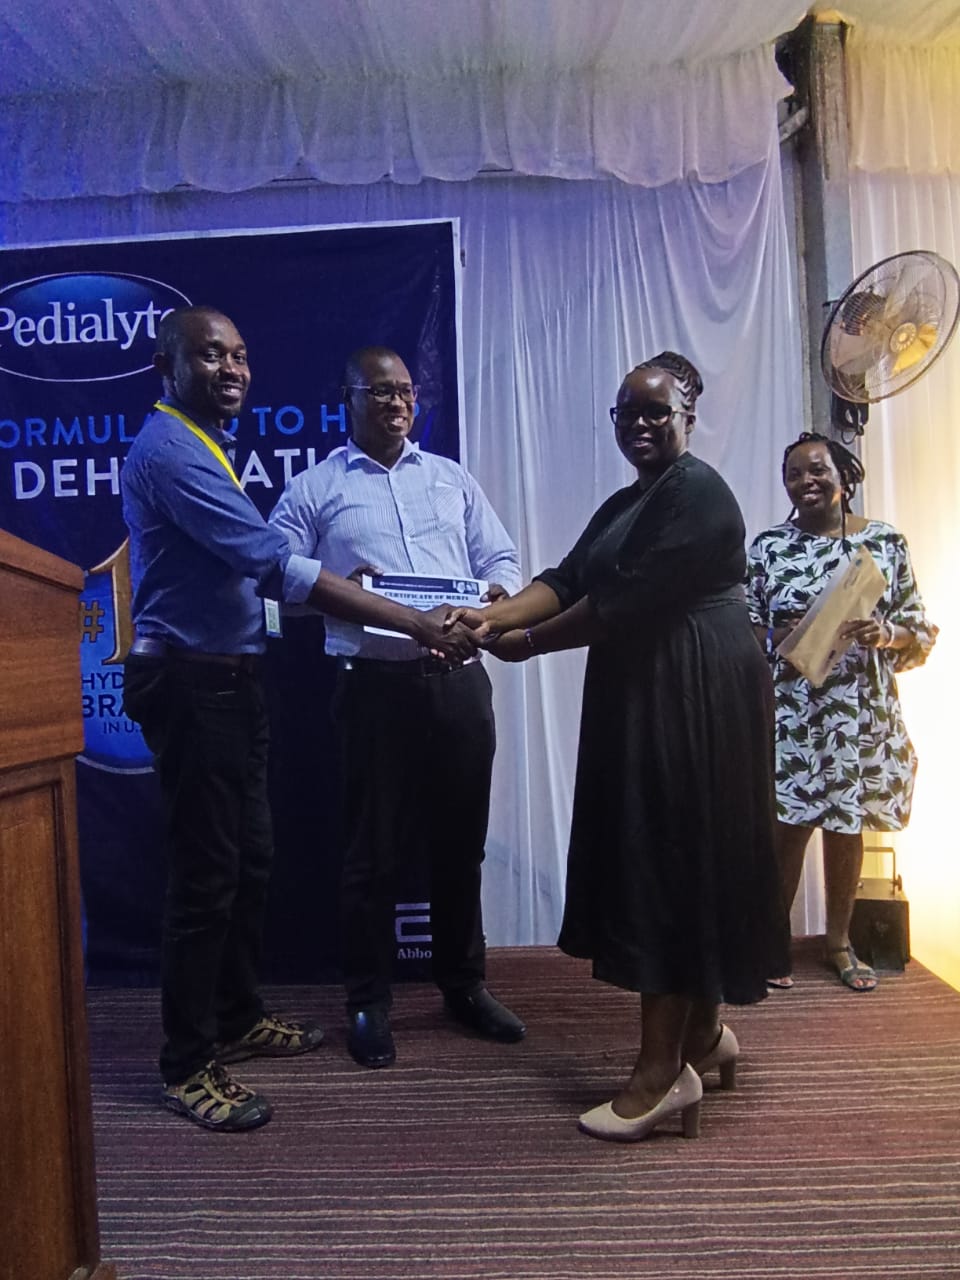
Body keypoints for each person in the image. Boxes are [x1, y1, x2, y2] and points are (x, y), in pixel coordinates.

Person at [121, 309, 478, 1130]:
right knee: (207, 879)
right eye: (210, 355)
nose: (232, 368)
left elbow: (267, 584)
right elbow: (273, 565)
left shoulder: (202, 442)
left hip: (232, 680)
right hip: (192, 683)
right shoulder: (172, 450)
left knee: (249, 861)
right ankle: (186, 1063)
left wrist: (356, 597)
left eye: (240, 354)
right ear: (167, 366)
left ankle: (237, 1017)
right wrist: (412, 621)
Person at [452, 351, 789, 1142]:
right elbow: (569, 577)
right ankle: (705, 1036)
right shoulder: (629, 501)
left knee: (668, 860)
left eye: (655, 411)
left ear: (688, 416)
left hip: (694, 690)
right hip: (653, 683)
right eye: (627, 412)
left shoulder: (698, 493)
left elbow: (615, 603)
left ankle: (660, 1074)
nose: (639, 423)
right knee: (680, 854)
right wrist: (492, 617)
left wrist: (526, 644)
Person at [269, 346, 526, 1069]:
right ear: (347, 399)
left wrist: (495, 600)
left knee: (461, 847)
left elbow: (500, 560)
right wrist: (340, 590)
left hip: (459, 684)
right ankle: (367, 1001)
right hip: (373, 689)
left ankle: (464, 986)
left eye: (406, 391)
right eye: (380, 392)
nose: (397, 403)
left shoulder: (450, 478)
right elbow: (276, 579)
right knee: (372, 855)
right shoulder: (315, 488)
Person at [746, 432, 937, 992]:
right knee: (787, 823)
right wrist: (777, 636)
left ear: (844, 478)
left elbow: (918, 627)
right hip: (792, 709)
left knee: (846, 824)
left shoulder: (884, 542)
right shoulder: (768, 547)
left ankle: (839, 943)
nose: (805, 481)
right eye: (793, 474)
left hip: (858, 709)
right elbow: (743, 623)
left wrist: (885, 632)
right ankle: (771, 942)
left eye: (817, 470)